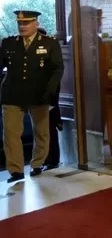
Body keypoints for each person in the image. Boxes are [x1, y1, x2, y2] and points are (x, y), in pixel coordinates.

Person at [1, 10, 64, 183]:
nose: (22, 26)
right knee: (11, 133)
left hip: (39, 94)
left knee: (41, 132)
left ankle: (37, 163)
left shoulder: (49, 43)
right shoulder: (8, 43)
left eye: (26, 23)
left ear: (36, 23)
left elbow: (58, 68)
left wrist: (50, 90)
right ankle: (16, 171)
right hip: (12, 94)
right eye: (20, 23)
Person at [36, 27, 63, 171]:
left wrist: (51, 101)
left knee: (50, 132)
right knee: (40, 132)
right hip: (36, 100)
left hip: (48, 100)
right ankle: (43, 159)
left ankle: (52, 160)